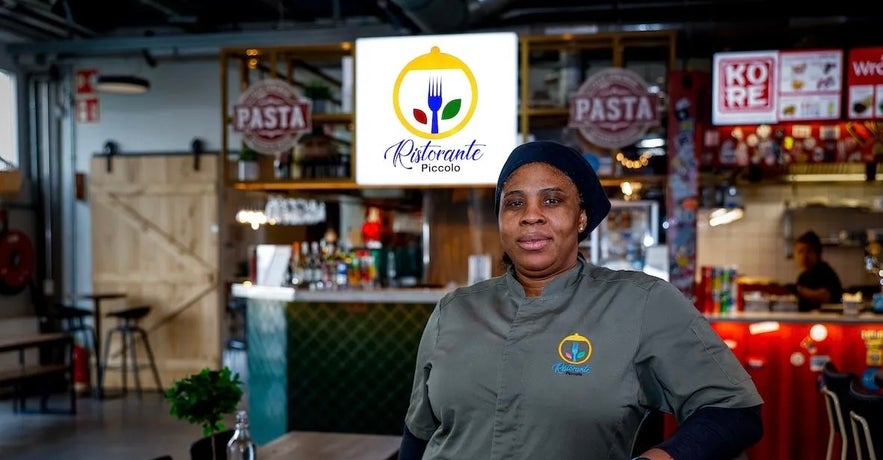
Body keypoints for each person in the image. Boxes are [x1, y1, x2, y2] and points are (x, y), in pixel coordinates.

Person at [398, 141, 763, 460]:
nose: (531, 216)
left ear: (582, 217)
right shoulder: (455, 310)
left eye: (552, 200)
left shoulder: (642, 304)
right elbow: (419, 434)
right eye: (514, 203)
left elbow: (734, 411)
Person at [792, 230, 843, 312]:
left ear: (817, 253)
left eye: (808, 251)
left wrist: (799, 290)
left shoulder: (825, 272)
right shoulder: (803, 276)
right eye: (800, 252)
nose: (804, 256)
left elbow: (825, 296)